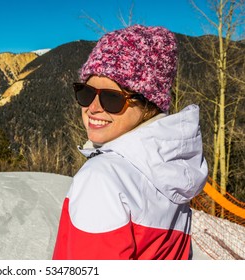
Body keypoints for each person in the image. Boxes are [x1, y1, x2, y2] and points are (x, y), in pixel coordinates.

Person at [52, 25, 208, 260]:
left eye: (112, 98)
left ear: (148, 105)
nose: (93, 108)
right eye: (85, 92)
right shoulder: (175, 167)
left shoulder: (102, 179)